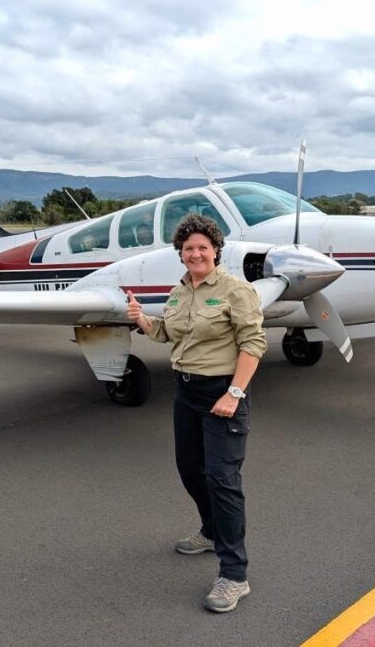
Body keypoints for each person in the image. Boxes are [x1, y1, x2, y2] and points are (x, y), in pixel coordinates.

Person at [126, 213, 267, 613]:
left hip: (223, 392)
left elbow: (253, 343)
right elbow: (169, 333)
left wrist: (234, 393)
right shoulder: (179, 292)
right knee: (190, 470)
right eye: (189, 248)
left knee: (223, 480)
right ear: (181, 253)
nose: (196, 253)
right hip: (185, 392)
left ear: (215, 250)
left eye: (203, 247)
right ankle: (210, 531)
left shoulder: (235, 291)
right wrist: (141, 320)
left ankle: (234, 575)